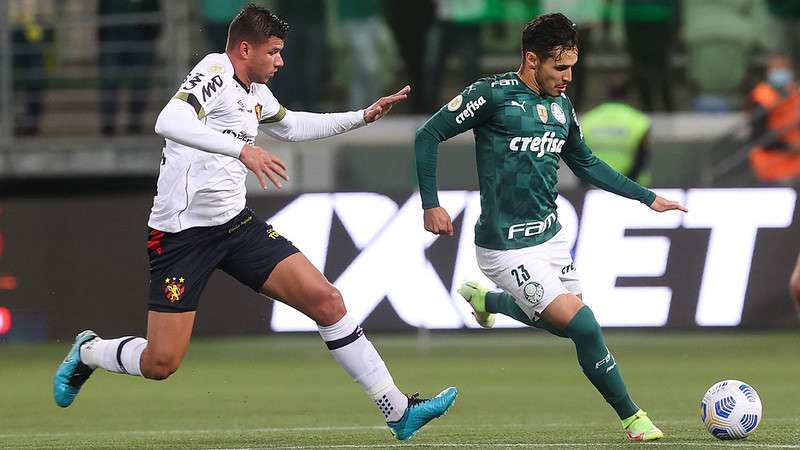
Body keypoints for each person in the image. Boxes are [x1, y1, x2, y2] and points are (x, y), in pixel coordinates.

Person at [53, 5, 456, 441]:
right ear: (245, 48)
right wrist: (241, 150)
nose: (280, 61)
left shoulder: (256, 92)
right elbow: (168, 120)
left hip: (235, 226)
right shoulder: (215, 70)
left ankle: (397, 410)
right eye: (274, 52)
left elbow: (292, 126)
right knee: (161, 363)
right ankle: (90, 351)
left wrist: (360, 116)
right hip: (181, 236)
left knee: (328, 302)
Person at [414, 13, 687, 442]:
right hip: (505, 246)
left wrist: (646, 197)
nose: (568, 77)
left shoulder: (561, 107)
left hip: (551, 237)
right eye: (560, 67)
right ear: (531, 60)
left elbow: (587, 163)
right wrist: (431, 204)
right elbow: (428, 135)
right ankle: (634, 418)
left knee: (568, 325)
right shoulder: (492, 95)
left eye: (572, 68)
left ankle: (487, 301)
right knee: (584, 325)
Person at [97, 0, 161, 135]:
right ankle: (109, 125)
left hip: (141, 36)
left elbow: (155, 10)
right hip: (113, 35)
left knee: (139, 82)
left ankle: (134, 125)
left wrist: (152, 32)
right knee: (110, 81)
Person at [580, 83, 652, 186]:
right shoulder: (640, 121)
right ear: (628, 96)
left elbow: (578, 156)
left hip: (594, 185)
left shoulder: (587, 120)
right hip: (633, 189)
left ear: (607, 95)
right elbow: (642, 158)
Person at [748, 54, 800, 183]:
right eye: (776, 68)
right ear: (769, 71)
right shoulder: (761, 96)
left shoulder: (794, 93)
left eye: (784, 67)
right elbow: (759, 137)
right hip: (770, 162)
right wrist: (789, 147)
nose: (780, 71)